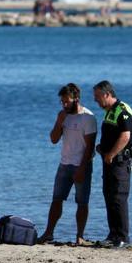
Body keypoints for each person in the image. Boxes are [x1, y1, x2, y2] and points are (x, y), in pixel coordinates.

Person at [37, 83, 97, 246]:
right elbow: (54, 139)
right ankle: (48, 233)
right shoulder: (63, 116)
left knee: (82, 202)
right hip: (64, 164)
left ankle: (80, 236)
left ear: (76, 99)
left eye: (67, 101)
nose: (64, 105)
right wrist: (59, 121)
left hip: (81, 165)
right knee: (56, 199)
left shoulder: (88, 118)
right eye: (62, 102)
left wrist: (82, 169)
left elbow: (90, 148)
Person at [93, 80, 132, 249]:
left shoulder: (122, 110)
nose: (95, 100)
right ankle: (113, 235)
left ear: (107, 94)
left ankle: (123, 237)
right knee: (109, 197)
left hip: (120, 162)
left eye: (97, 97)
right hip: (109, 161)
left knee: (118, 198)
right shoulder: (109, 111)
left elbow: (125, 136)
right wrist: (102, 149)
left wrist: (110, 153)